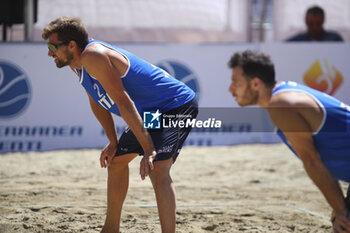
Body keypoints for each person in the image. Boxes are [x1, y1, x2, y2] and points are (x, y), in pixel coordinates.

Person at [42, 17, 198, 233]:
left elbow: (124, 102)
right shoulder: (75, 63)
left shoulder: (93, 55)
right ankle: (111, 229)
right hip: (150, 112)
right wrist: (113, 141)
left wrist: (149, 148)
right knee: (116, 162)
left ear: (71, 45)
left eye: (52, 46)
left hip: (175, 105)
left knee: (159, 168)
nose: (50, 53)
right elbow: (97, 102)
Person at [227, 50, 350, 232]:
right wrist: (339, 207)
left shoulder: (281, 104)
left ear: (255, 83)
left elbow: (312, 161)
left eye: (236, 83)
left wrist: (341, 210)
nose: (231, 89)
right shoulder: (284, 94)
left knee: (343, 224)